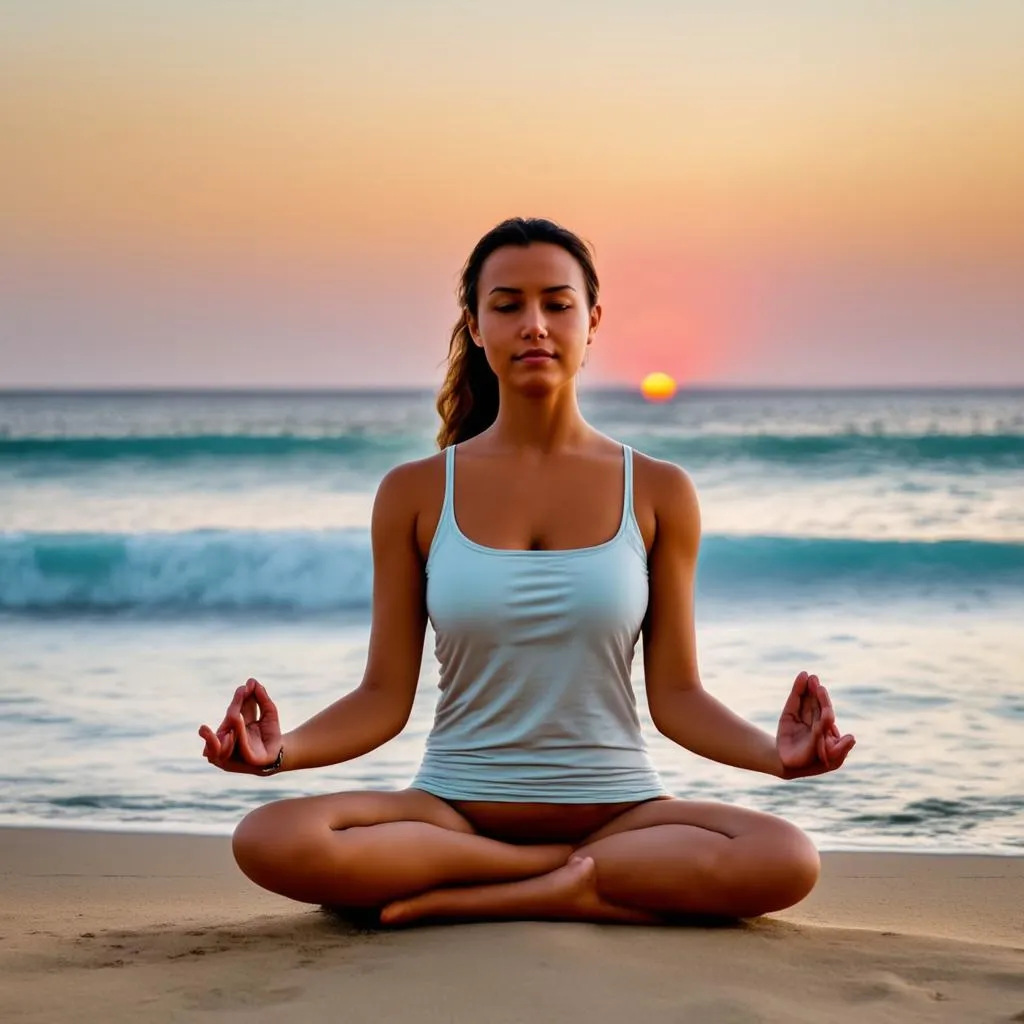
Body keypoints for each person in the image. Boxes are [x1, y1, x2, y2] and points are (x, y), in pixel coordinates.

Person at [199, 216, 856, 928]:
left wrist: (775, 755)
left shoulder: (660, 491)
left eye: (557, 303)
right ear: (476, 327)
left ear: (593, 320)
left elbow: (677, 697)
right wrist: (279, 753)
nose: (534, 324)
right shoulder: (415, 493)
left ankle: (497, 895)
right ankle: (563, 883)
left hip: (621, 817)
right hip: (452, 818)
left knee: (788, 855)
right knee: (268, 837)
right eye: (508, 305)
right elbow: (383, 697)